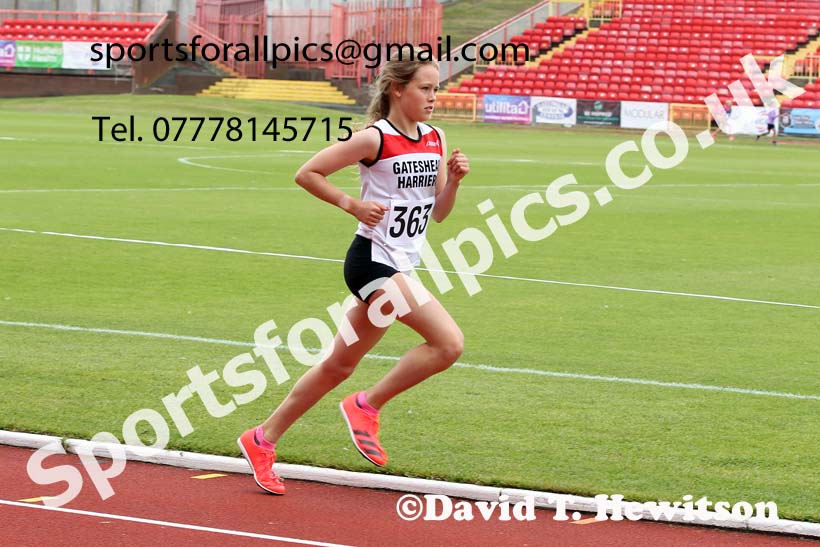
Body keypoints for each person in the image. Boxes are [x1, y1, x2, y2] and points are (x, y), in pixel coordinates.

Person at [236, 48, 470, 495]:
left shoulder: (435, 138)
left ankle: (262, 439)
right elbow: (308, 173)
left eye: (436, 88)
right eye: (425, 88)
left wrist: (454, 182)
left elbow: (439, 214)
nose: (433, 96)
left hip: (400, 265)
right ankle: (367, 404)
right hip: (371, 262)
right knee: (448, 343)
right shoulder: (374, 139)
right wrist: (352, 204)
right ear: (398, 89)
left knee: (338, 365)